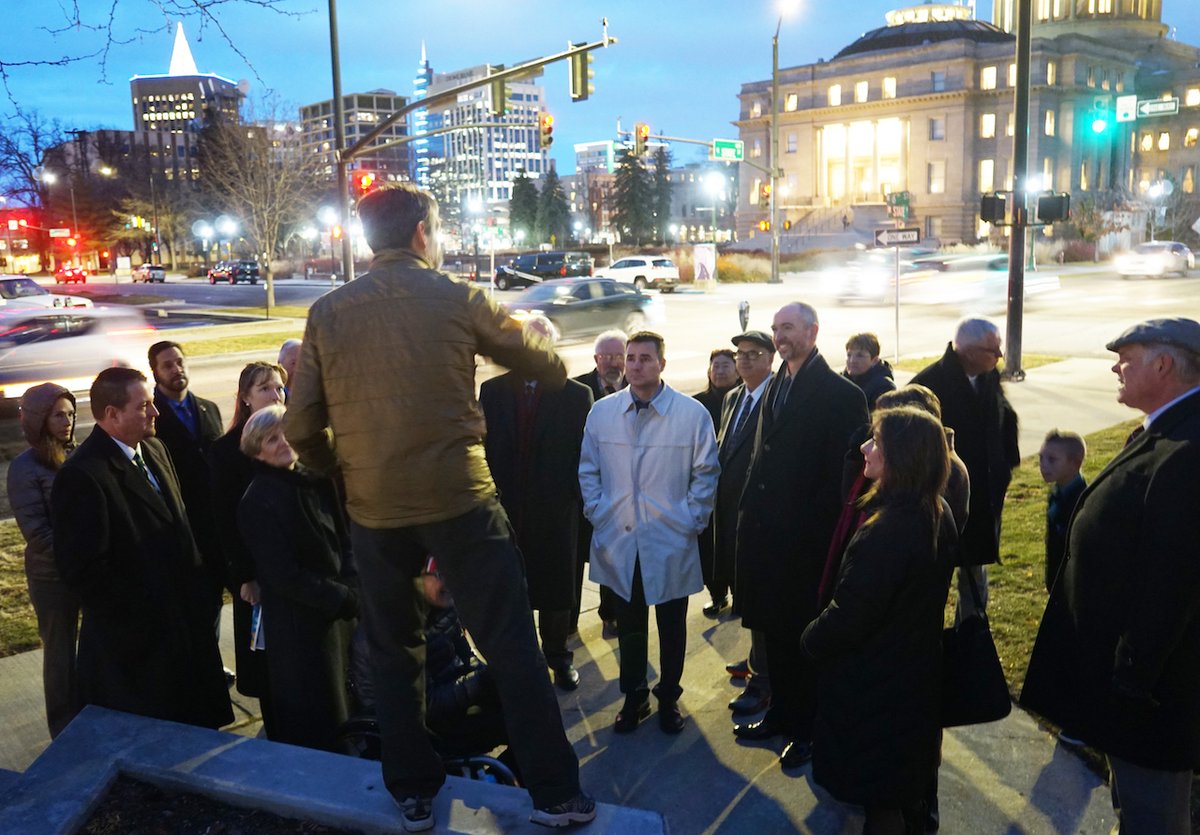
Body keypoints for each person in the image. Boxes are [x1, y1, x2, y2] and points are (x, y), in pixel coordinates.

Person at [284, 182, 592, 831]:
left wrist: (340, 469)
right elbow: (543, 363)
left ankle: (414, 791)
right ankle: (556, 792)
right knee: (511, 642)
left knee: (394, 653)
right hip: (462, 498)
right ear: (423, 231)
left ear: (369, 238)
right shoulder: (456, 297)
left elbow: (302, 423)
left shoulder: (329, 312)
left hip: (374, 507)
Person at [1022, 318, 1200, 835]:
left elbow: (1174, 579)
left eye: (1126, 358)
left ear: (1163, 365)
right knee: (1135, 807)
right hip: (1133, 685)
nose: (1115, 368)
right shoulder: (1166, 429)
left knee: (1153, 816)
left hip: (1152, 694)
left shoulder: (1187, 449)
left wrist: (1132, 675)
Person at [801, 407, 958, 835]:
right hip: (908, 675)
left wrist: (810, 640)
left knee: (882, 801)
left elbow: (852, 613)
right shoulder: (933, 511)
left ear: (902, 456)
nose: (865, 448)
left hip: (876, 686)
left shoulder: (890, 530)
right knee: (900, 788)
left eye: (876, 442)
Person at [50, 367, 232, 729]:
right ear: (111, 414)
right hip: (142, 654)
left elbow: (179, 525)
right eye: (144, 405)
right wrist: (147, 619)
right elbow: (84, 573)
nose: (155, 412)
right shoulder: (83, 476)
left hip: (186, 633)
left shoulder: (154, 448)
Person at [733, 302, 869, 770]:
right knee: (773, 633)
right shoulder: (775, 384)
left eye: (787, 328)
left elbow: (843, 479)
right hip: (768, 538)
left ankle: (806, 730)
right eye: (775, 329)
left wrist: (814, 535)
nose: (779, 336)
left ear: (813, 331)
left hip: (807, 545)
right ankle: (779, 713)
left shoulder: (841, 394)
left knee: (803, 639)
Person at [578, 331, 719, 735]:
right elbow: (588, 468)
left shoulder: (691, 415)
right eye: (631, 357)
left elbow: (706, 472)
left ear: (662, 364)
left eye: (645, 358)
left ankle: (669, 697)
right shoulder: (602, 413)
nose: (636, 364)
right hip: (620, 538)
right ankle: (634, 694)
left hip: (669, 537)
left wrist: (690, 519)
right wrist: (598, 511)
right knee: (631, 623)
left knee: (672, 625)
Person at [479, 314, 593, 691]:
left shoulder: (576, 395)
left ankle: (558, 657)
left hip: (555, 509)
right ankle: (520, 663)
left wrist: (571, 501)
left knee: (557, 588)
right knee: (513, 588)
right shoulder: (493, 392)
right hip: (507, 507)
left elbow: (583, 455)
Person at [237, 405, 358, 752]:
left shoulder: (314, 479)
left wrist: (353, 586)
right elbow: (283, 575)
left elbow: (344, 541)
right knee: (319, 715)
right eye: (271, 439)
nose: (283, 443)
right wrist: (342, 597)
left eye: (286, 434)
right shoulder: (257, 499)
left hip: (339, 613)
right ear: (256, 449)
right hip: (302, 626)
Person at [910, 317, 1019, 621]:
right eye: (992, 350)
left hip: (983, 497)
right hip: (943, 501)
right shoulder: (929, 386)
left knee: (975, 575)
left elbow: (1004, 418)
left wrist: (1005, 464)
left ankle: (971, 634)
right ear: (967, 351)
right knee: (936, 575)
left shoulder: (987, 377)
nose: (999, 357)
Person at [207, 361, 288, 736]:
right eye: (265, 389)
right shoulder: (226, 451)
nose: (276, 395)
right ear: (245, 397)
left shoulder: (293, 439)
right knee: (268, 665)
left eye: (279, 387)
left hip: (293, 569)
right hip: (255, 575)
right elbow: (223, 522)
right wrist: (244, 576)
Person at [7, 383, 81, 738]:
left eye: (70, 413)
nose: (66, 421)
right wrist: (76, 559)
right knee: (60, 652)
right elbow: (37, 532)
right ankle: (65, 727)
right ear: (39, 419)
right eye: (57, 415)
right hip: (52, 576)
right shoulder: (25, 468)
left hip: (84, 568)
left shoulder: (75, 454)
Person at [715, 331, 775, 717]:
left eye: (754, 354)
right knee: (745, 594)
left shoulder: (777, 397)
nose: (745, 361)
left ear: (771, 359)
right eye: (741, 354)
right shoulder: (733, 397)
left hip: (761, 517)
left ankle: (764, 680)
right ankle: (756, 660)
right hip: (730, 512)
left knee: (761, 600)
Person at [148, 341, 226, 632]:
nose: (176, 369)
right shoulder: (151, 417)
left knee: (215, 599)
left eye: (179, 362)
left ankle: (213, 666)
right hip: (179, 525)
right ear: (155, 372)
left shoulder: (209, 409)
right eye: (167, 365)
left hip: (214, 525)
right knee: (190, 605)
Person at [572, 329, 629, 637]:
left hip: (622, 493)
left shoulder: (638, 385)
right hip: (586, 490)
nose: (611, 362)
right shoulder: (578, 389)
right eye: (605, 356)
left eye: (618, 355)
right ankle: (569, 623)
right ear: (596, 359)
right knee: (577, 560)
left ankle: (611, 615)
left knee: (614, 558)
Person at [694, 348, 739, 619]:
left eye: (726, 365)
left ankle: (740, 592)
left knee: (734, 539)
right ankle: (717, 593)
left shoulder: (745, 400)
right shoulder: (697, 404)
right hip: (705, 484)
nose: (720, 371)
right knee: (708, 542)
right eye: (716, 366)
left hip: (734, 485)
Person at [1037, 429, 1086, 594]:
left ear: (1075, 463)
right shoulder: (1056, 493)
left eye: (1052, 460)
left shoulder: (1082, 502)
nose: (1043, 465)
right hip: (1055, 581)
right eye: (1041, 458)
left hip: (1074, 586)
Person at [842, 332, 896, 409]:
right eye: (849, 355)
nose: (852, 360)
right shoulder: (840, 380)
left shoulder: (884, 388)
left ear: (875, 360)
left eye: (860, 356)